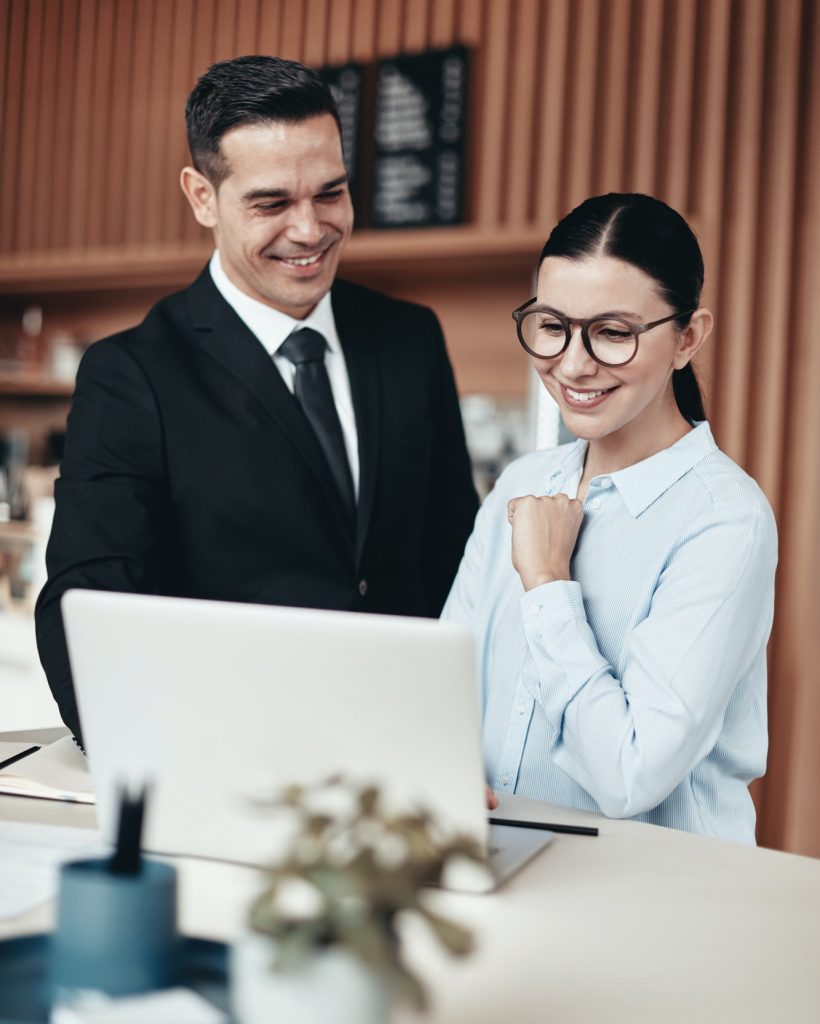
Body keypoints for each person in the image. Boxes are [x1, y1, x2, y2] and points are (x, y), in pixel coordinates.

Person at [36, 55, 478, 746]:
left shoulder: (410, 338)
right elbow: (85, 606)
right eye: (272, 203)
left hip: (410, 752)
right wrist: (168, 760)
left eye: (330, 192)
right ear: (202, 196)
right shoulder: (132, 374)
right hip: (233, 758)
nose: (310, 230)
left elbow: (456, 557)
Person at [443, 193, 777, 843]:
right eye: (551, 325)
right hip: (492, 869)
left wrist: (546, 584)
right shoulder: (521, 483)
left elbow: (629, 775)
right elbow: (442, 684)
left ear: (688, 338)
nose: (572, 363)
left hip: (652, 902)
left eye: (613, 332)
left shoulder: (725, 522)